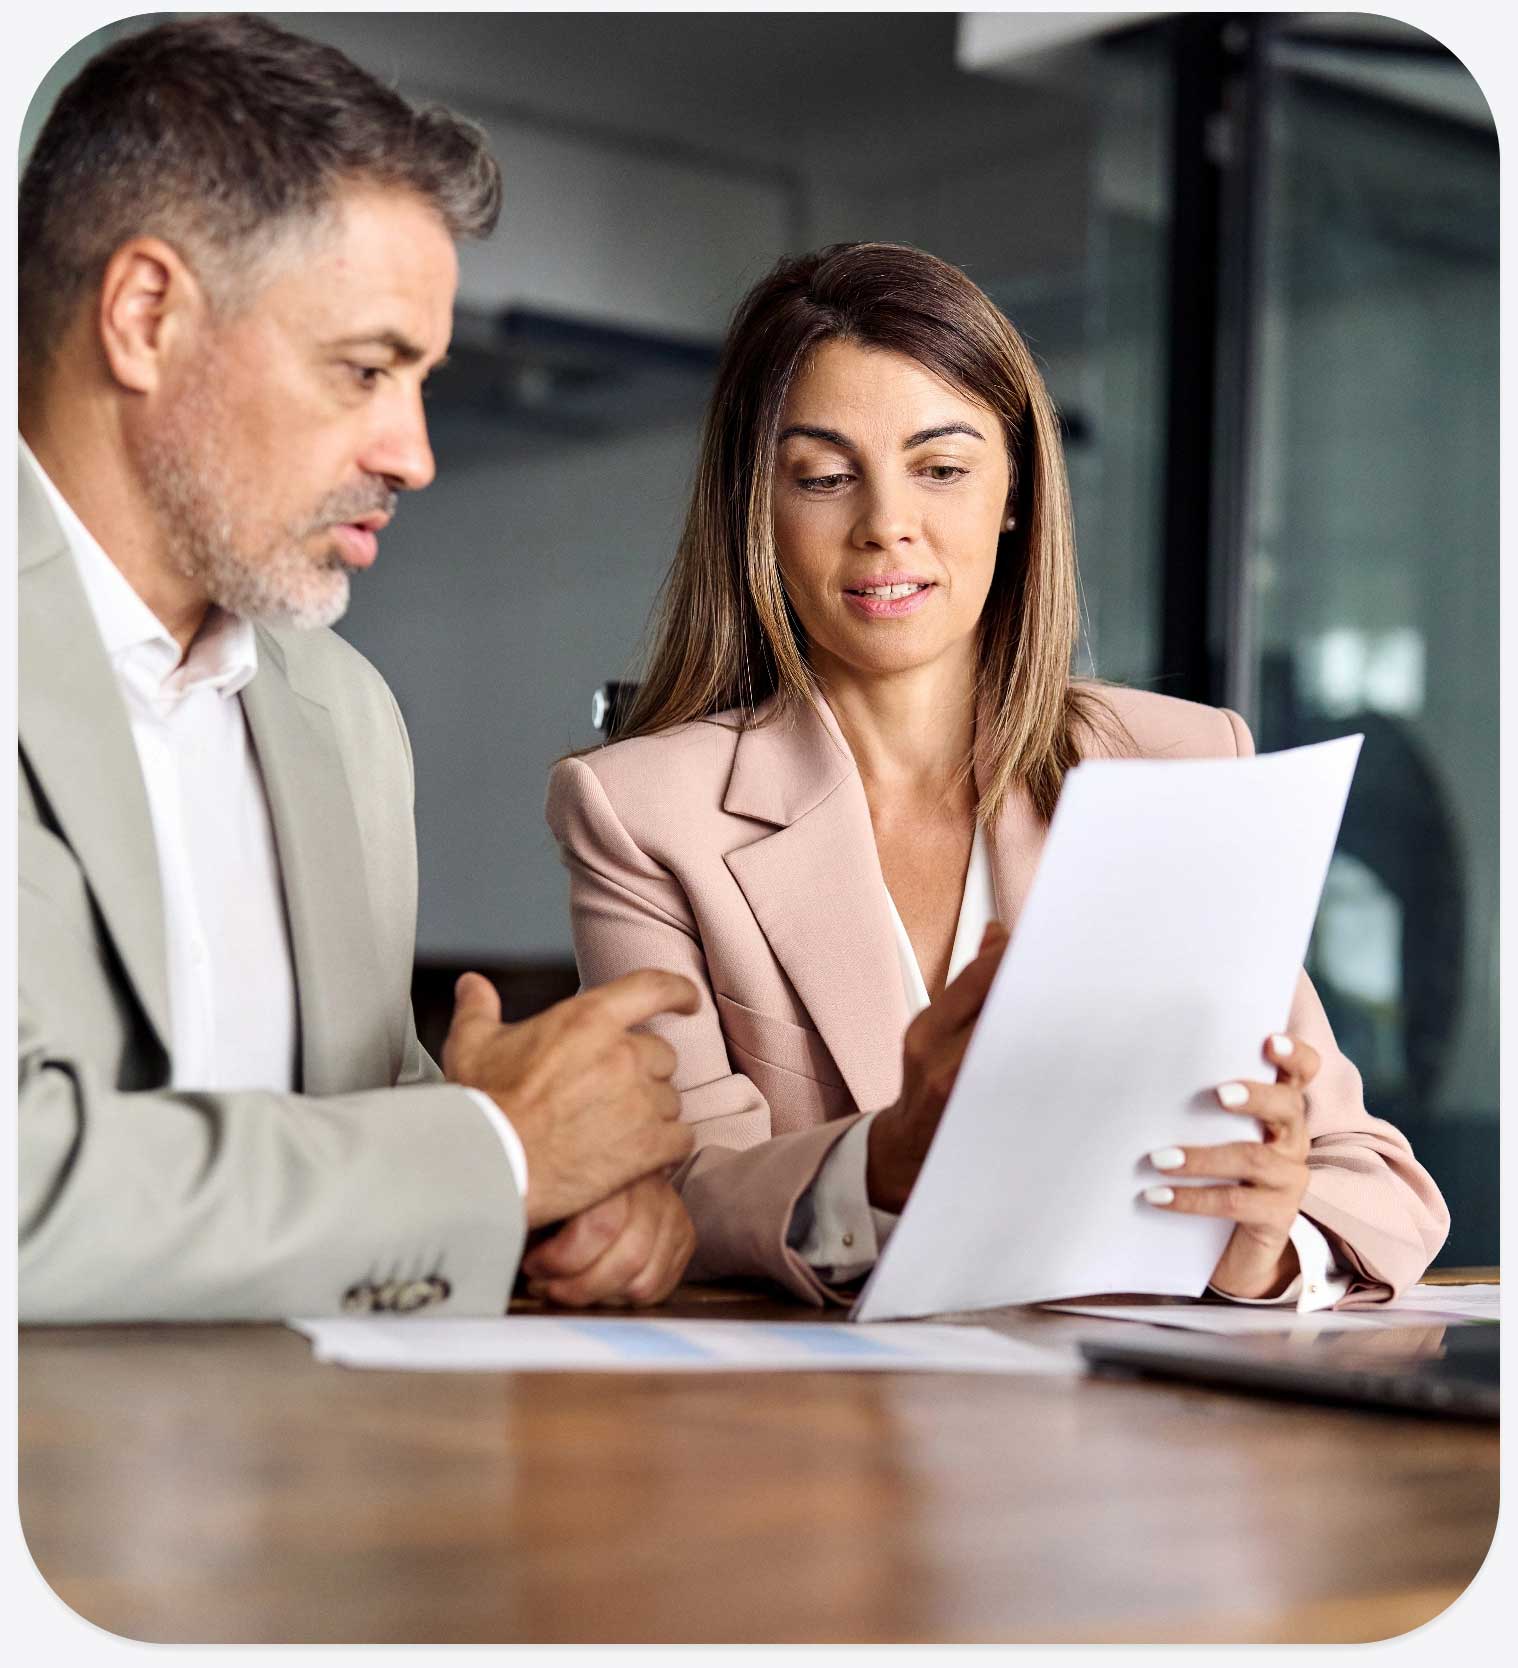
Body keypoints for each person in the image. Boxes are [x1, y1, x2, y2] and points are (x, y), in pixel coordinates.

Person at [546, 242, 1449, 1309]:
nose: (887, 524)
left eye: (942, 467)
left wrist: (1264, 1239)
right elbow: (672, 1187)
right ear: (760, 511)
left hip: (1130, 1429)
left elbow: (1379, 1184)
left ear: (1014, 493)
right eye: (826, 477)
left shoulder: (1178, 764)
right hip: (816, 1440)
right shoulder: (644, 813)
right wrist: (873, 1165)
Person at [18, 14, 701, 1323]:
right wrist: (494, 1157)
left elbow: (370, 1131)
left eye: (427, 378)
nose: (414, 453)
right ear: (145, 316)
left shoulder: (341, 713)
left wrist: (573, 1199)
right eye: (369, 368)